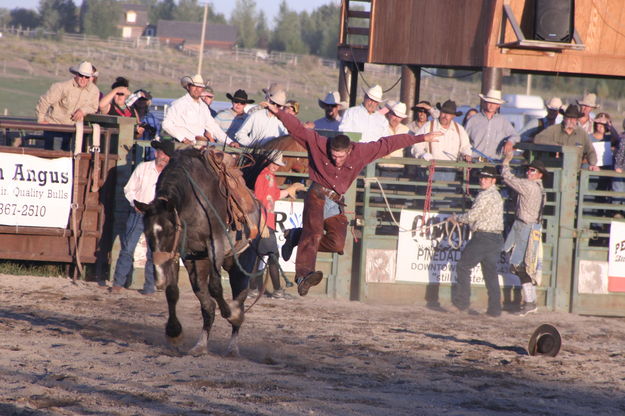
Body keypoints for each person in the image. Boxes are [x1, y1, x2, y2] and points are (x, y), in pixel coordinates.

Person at [269, 101, 441, 296]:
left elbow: (388, 143)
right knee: (314, 232)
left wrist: (422, 138)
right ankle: (303, 276)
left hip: (336, 200)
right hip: (317, 194)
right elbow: (297, 128)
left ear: (349, 150)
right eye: (333, 156)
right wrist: (278, 113)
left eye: (340, 157)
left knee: (337, 244)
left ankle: (295, 236)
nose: (336, 160)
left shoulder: (361, 151)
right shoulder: (319, 143)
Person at [110, 140, 175, 294]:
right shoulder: (143, 168)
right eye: (163, 154)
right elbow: (129, 189)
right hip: (140, 212)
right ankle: (118, 283)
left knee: (153, 253)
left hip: (158, 216)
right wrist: (135, 204)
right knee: (128, 249)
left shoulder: (171, 174)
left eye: (168, 155)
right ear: (156, 153)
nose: (165, 158)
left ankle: (148, 287)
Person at [248, 152, 305, 299]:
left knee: (259, 256)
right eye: (274, 163)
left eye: (277, 164)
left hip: (266, 221)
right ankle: (277, 290)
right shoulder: (264, 176)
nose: (275, 166)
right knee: (273, 256)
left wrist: (289, 189)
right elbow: (259, 201)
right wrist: (263, 224)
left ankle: (253, 289)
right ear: (267, 161)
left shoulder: (269, 176)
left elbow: (273, 196)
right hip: (265, 222)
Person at [449, 166, 504, 317]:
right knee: (490, 274)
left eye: (486, 178)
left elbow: (472, 216)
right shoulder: (496, 195)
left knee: (463, 266)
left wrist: (457, 219)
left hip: (483, 237)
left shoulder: (485, 195)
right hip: (496, 238)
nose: (482, 180)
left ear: (493, 180)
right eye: (481, 177)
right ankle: (494, 309)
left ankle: (462, 304)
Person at [501, 150, 547, 316]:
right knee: (524, 265)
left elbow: (508, 178)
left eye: (532, 170)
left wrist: (506, 162)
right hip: (531, 227)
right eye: (528, 170)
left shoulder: (529, 186)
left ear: (539, 175)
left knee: (519, 265)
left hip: (524, 227)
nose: (529, 172)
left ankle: (530, 301)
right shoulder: (541, 190)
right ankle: (530, 301)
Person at [36, 61, 100, 150]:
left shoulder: (94, 91)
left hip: (75, 131)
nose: (83, 79)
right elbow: (45, 100)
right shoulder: (62, 87)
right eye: (81, 75)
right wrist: (41, 119)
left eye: (86, 77)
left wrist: (83, 110)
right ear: (76, 75)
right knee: (53, 157)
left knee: (71, 159)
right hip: (55, 127)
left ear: (90, 78)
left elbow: (94, 107)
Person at [162, 74, 236, 147]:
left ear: (203, 89)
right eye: (194, 86)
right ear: (188, 87)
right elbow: (166, 124)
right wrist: (183, 138)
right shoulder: (178, 104)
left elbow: (213, 126)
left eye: (200, 87)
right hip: (182, 146)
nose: (197, 89)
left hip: (200, 145)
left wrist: (229, 142)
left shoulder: (203, 107)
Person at [534, 104, 599, 170]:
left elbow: (591, 151)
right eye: (569, 118)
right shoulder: (554, 129)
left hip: (574, 172)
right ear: (564, 118)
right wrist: (556, 146)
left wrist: (593, 164)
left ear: (577, 120)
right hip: (555, 170)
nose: (571, 121)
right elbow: (538, 139)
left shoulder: (582, 133)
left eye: (574, 118)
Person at [464, 89, 519, 161]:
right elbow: (463, 140)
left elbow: (515, 135)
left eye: (494, 103)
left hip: (494, 163)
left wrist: (510, 141)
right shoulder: (473, 120)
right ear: (485, 102)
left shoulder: (503, 121)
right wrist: (466, 154)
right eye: (489, 102)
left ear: (498, 105)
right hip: (475, 161)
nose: (491, 105)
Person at [377, 101, 410, 174]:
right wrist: (387, 107)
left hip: (399, 170)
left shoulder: (406, 130)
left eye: (399, 117)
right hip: (381, 169)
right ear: (389, 114)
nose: (396, 119)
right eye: (394, 115)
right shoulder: (380, 127)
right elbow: (376, 115)